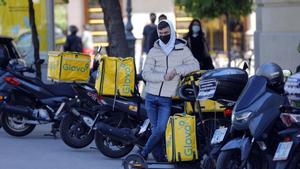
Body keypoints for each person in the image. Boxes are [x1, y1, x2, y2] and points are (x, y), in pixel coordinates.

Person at [140, 20, 199, 161]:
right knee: (156, 131)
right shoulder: (154, 51)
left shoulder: (182, 49)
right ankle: (160, 158)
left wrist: (177, 70)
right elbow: (145, 74)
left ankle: (142, 153)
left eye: (166, 33)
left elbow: (195, 65)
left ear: (171, 31)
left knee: (160, 129)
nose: (163, 36)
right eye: (160, 33)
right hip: (150, 97)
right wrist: (163, 76)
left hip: (166, 98)